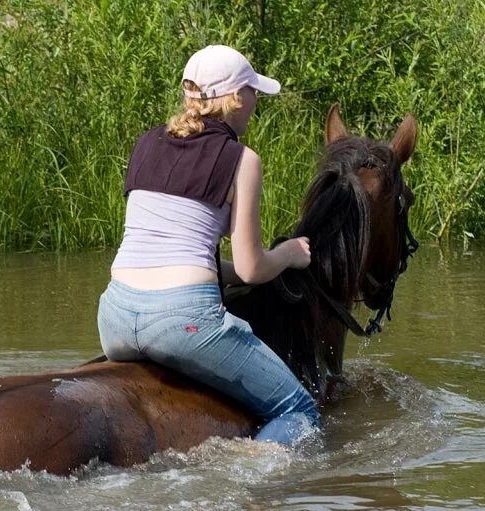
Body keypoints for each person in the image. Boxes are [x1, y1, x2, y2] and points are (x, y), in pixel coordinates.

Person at [97, 45, 319, 446]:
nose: (255, 102)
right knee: (298, 409)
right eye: (252, 91)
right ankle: (243, 482)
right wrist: (289, 254)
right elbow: (253, 270)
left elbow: (176, 250)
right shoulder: (241, 159)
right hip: (181, 322)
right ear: (235, 99)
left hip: (114, 318)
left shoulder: (145, 143)